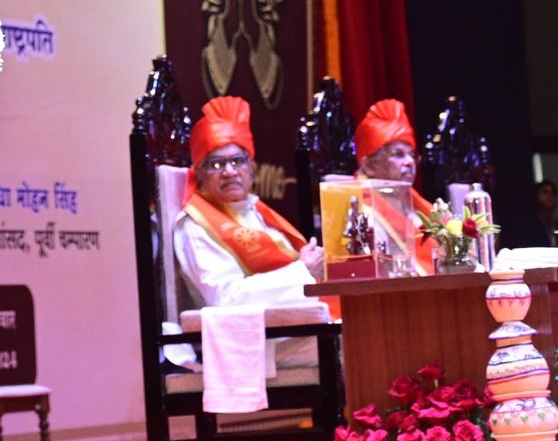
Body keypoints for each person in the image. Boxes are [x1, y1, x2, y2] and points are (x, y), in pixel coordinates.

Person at [172, 95, 324, 311]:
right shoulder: (196, 226)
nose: (229, 172)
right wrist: (302, 272)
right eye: (216, 164)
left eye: (237, 161)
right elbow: (226, 298)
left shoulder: (256, 211)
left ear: (252, 170)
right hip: (258, 336)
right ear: (200, 175)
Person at [353, 98, 438, 273]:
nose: (409, 162)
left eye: (412, 155)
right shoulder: (361, 211)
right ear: (369, 165)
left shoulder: (418, 207)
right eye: (398, 154)